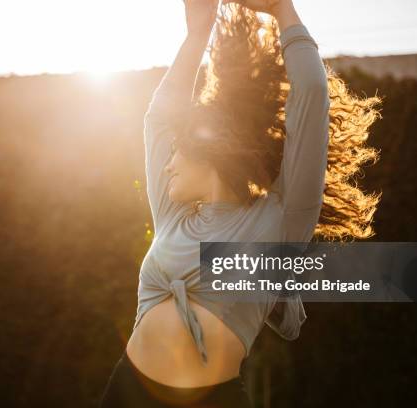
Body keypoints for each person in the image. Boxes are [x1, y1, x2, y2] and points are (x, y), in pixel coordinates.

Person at [100, 0, 381, 406]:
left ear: (208, 149)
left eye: (176, 153)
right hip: (127, 391)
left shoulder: (279, 221)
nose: (166, 167)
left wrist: (283, 10)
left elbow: (312, 94)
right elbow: (158, 120)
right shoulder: (172, 214)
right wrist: (198, 32)